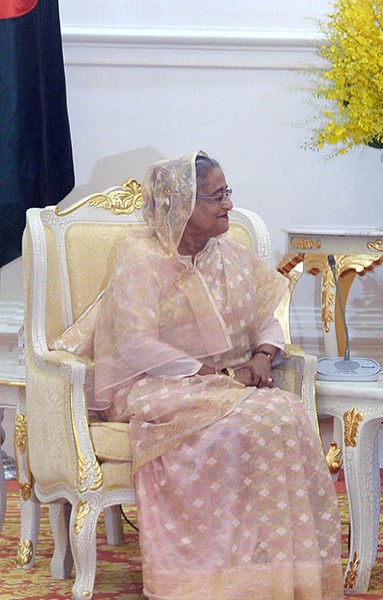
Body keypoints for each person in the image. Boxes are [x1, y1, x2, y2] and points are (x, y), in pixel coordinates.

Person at [91, 151, 344, 599]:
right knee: (234, 428)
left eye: (228, 194)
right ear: (184, 205)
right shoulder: (141, 259)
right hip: (155, 384)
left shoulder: (230, 253)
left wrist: (264, 357)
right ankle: (205, 576)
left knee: (286, 414)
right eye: (218, 196)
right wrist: (209, 371)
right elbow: (135, 344)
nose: (229, 205)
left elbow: (263, 315)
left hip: (228, 383)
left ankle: (273, 571)